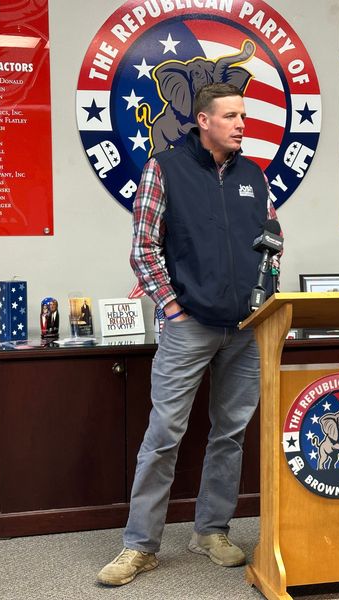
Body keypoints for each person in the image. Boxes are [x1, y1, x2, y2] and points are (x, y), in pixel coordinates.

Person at [97, 82, 278, 586]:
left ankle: (211, 531)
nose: (241, 124)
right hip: (190, 326)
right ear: (203, 120)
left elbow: (273, 241)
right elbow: (144, 247)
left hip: (245, 329)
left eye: (243, 116)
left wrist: (265, 298)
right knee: (164, 436)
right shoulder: (165, 169)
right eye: (231, 116)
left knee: (231, 434)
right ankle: (140, 545)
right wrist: (172, 308)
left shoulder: (254, 175)